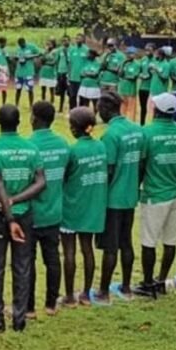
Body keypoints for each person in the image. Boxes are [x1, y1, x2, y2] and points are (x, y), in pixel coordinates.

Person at [0, 105, 46, 332]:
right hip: (24, 214)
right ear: (20, 122)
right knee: (23, 265)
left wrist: (9, 213)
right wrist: (16, 201)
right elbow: (40, 182)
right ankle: (19, 318)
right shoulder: (31, 149)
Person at [136, 93, 176, 297]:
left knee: (149, 241)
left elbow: (142, 163)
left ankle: (147, 282)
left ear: (156, 110)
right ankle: (161, 280)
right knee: (171, 240)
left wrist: (137, 187)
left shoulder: (147, 133)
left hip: (155, 193)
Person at [94, 92, 142, 303]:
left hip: (113, 198)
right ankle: (126, 286)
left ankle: (103, 291)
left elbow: (109, 170)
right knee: (126, 241)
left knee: (111, 246)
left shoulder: (110, 135)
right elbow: (142, 163)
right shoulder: (136, 130)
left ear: (105, 109)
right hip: (130, 195)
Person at [25, 101, 68, 317]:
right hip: (54, 212)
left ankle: (29, 307)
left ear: (35, 118)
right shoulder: (63, 144)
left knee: (28, 261)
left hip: (31, 214)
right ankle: (51, 304)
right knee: (52, 259)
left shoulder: (28, 145)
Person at [61, 107, 107, 306]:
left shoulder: (72, 151)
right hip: (92, 206)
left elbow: (64, 177)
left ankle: (69, 296)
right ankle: (86, 294)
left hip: (72, 206)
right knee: (87, 249)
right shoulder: (101, 147)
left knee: (69, 251)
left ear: (74, 129)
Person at [12, 37, 39, 107]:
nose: (21, 46)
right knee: (18, 89)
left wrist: (29, 57)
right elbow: (15, 58)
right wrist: (15, 58)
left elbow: (39, 54)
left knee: (30, 90)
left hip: (29, 72)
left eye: (22, 44)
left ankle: (31, 105)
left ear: (24, 42)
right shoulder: (18, 49)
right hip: (19, 72)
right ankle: (16, 104)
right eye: (20, 45)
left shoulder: (31, 46)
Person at [66, 33, 88, 111]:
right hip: (72, 77)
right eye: (76, 38)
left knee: (82, 96)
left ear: (83, 39)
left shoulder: (86, 50)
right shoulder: (72, 50)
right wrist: (68, 75)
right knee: (72, 96)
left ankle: (81, 112)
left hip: (82, 78)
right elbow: (69, 63)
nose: (77, 40)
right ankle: (72, 111)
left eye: (79, 38)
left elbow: (88, 63)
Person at [118, 48, 141, 120]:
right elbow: (120, 74)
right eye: (129, 53)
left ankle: (131, 123)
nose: (130, 55)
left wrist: (125, 77)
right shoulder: (124, 63)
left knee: (131, 109)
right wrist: (124, 64)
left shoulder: (137, 64)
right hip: (122, 89)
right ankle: (122, 122)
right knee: (122, 107)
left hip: (131, 90)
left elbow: (133, 77)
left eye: (132, 54)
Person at [37, 40, 59, 106]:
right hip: (44, 72)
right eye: (47, 44)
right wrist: (45, 52)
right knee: (43, 88)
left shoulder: (55, 52)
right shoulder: (45, 52)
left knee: (51, 89)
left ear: (53, 45)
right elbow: (41, 60)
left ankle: (51, 103)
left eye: (49, 44)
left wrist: (45, 63)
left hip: (51, 72)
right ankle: (43, 103)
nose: (48, 46)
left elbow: (54, 62)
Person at [137, 43, 155, 124]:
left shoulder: (156, 60)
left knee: (152, 108)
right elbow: (138, 71)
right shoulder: (143, 59)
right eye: (146, 50)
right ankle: (142, 124)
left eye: (149, 50)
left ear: (153, 50)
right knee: (143, 107)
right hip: (143, 87)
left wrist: (149, 75)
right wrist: (141, 75)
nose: (147, 51)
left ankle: (153, 123)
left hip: (152, 88)